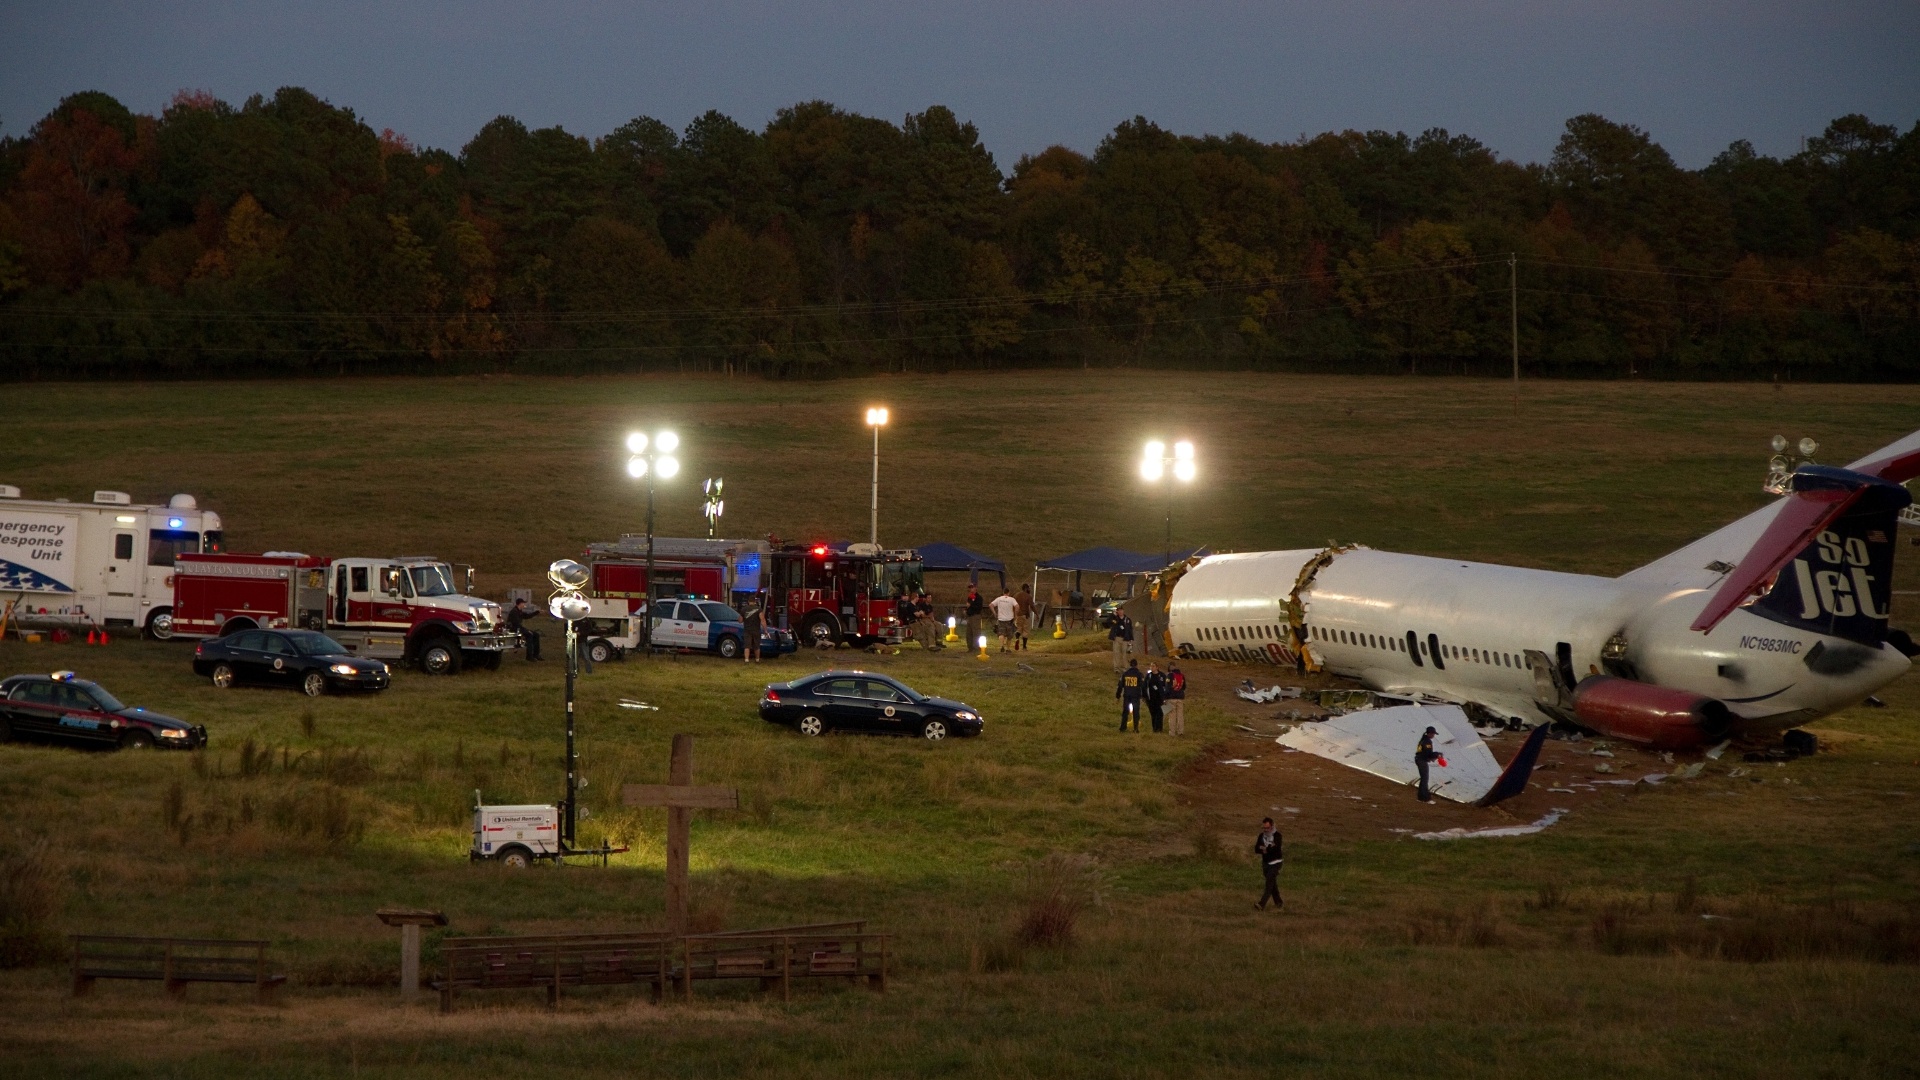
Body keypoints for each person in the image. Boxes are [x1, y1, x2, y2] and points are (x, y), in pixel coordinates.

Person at [1254, 817, 1284, 910]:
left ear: (1272, 826)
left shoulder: (1277, 836)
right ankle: (1279, 903)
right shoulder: (1261, 836)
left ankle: (1261, 904)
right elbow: (1256, 849)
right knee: (1272, 884)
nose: (1266, 830)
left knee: (1269, 884)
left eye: (1267, 828)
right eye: (1264, 828)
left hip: (1276, 863)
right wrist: (1266, 849)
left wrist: (1264, 848)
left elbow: (1276, 849)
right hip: (1266, 863)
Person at [1115, 659, 1145, 732]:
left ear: (1130, 665)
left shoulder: (1125, 674)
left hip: (1127, 696)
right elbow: (1143, 686)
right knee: (1136, 712)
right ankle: (1135, 728)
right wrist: (1144, 696)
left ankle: (1123, 728)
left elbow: (1120, 686)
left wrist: (1118, 696)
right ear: (1137, 665)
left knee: (1125, 712)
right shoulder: (1139, 674)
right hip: (1136, 696)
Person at [989, 587, 1020, 653]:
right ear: (1009, 593)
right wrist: (1015, 615)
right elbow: (1017, 606)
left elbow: (991, 605)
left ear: (1003, 592)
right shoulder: (1012, 599)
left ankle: (1002, 646)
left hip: (1001, 619)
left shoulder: (999, 599)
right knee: (1009, 635)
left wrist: (994, 613)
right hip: (1009, 620)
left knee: (1001, 634)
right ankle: (1007, 649)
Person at [1415, 725, 1438, 802]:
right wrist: (1436, 755)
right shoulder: (1427, 741)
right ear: (1430, 733)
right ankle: (1425, 798)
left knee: (1423, 779)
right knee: (1425, 779)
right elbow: (1427, 753)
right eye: (1433, 734)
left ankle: (1421, 797)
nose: (1433, 735)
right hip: (1422, 760)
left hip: (1419, 759)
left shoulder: (1423, 739)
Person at [1143, 663, 1166, 734]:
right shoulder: (1149, 676)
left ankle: (1160, 728)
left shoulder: (1162, 675)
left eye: (1153, 666)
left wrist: (1165, 697)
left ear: (1157, 667)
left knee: (1160, 713)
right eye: (1151, 666)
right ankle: (1154, 729)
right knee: (1153, 714)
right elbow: (1144, 686)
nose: (1151, 667)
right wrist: (1144, 697)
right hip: (1151, 699)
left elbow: (1165, 686)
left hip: (1160, 698)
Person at [1164, 662, 1186, 736]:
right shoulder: (1182, 675)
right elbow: (1184, 687)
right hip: (1180, 697)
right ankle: (1180, 731)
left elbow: (1167, 688)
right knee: (1180, 715)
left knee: (1172, 715)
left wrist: (1164, 697)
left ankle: (1172, 732)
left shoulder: (1169, 675)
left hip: (1171, 698)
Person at [742, 595, 764, 663]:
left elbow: (740, 620)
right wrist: (765, 630)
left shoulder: (744, 609)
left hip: (747, 630)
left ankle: (746, 660)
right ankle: (757, 660)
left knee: (747, 646)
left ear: (748, 601)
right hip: (756, 630)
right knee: (756, 646)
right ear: (755, 602)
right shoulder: (759, 609)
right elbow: (762, 620)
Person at [964, 587, 985, 651]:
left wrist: (971, 605)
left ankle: (976, 647)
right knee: (969, 633)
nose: (970, 589)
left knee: (976, 632)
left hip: (975, 616)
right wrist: (966, 611)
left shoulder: (979, 598)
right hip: (969, 616)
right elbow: (968, 606)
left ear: (975, 589)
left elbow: (978, 607)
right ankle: (970, 647)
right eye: (970, 588)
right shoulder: (970, 597)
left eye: (972, 588)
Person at [1015, 584, 1034, 650]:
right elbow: (1032, 606)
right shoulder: (1028, 596)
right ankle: (1024, 646)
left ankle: (1017, 639)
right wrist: (1037, 614)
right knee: (1025, 631)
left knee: (1018, 629)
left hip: (1018, 615)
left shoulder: (1017, 595)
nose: (1030, 589)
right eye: (1029, 588)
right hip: (1026, 615)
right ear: (1026, 588)